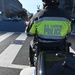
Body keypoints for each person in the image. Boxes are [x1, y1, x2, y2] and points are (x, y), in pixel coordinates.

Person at [26, 0, 72, 66]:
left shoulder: (38, 15)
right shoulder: (66, 16)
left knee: (31, 44)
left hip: (42, 47)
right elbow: (69, 32)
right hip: (60, 47)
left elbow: (29, 33)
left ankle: (32, 65)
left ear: (44, 3)